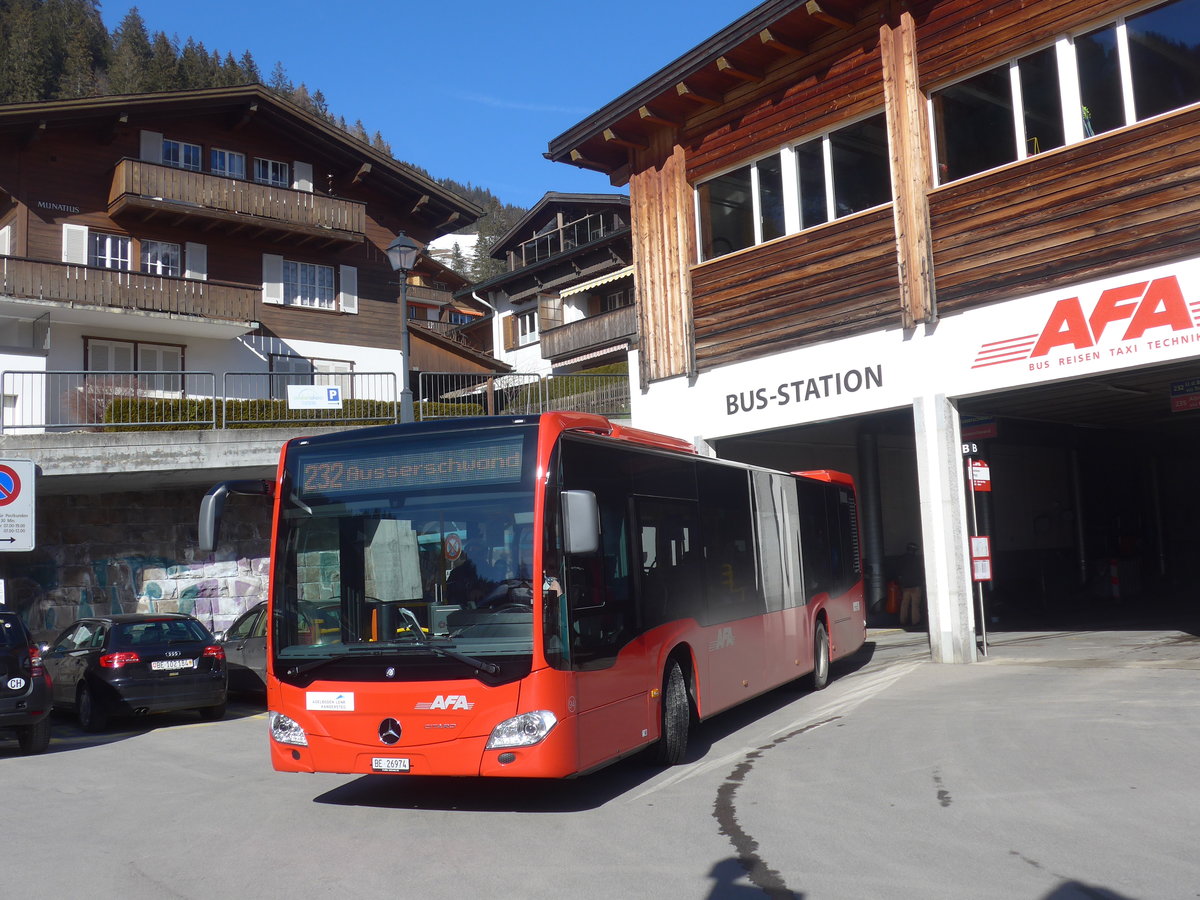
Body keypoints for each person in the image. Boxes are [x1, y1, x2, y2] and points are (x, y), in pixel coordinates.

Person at [897, 541, 925, 629]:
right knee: (915, 605)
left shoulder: (902, 559)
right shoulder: (916, 560)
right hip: (916, 585)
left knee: (904, 604)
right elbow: (920, 572)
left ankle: (903, 621)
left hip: (905, 585)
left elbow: (899, 573)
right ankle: (915, 622)